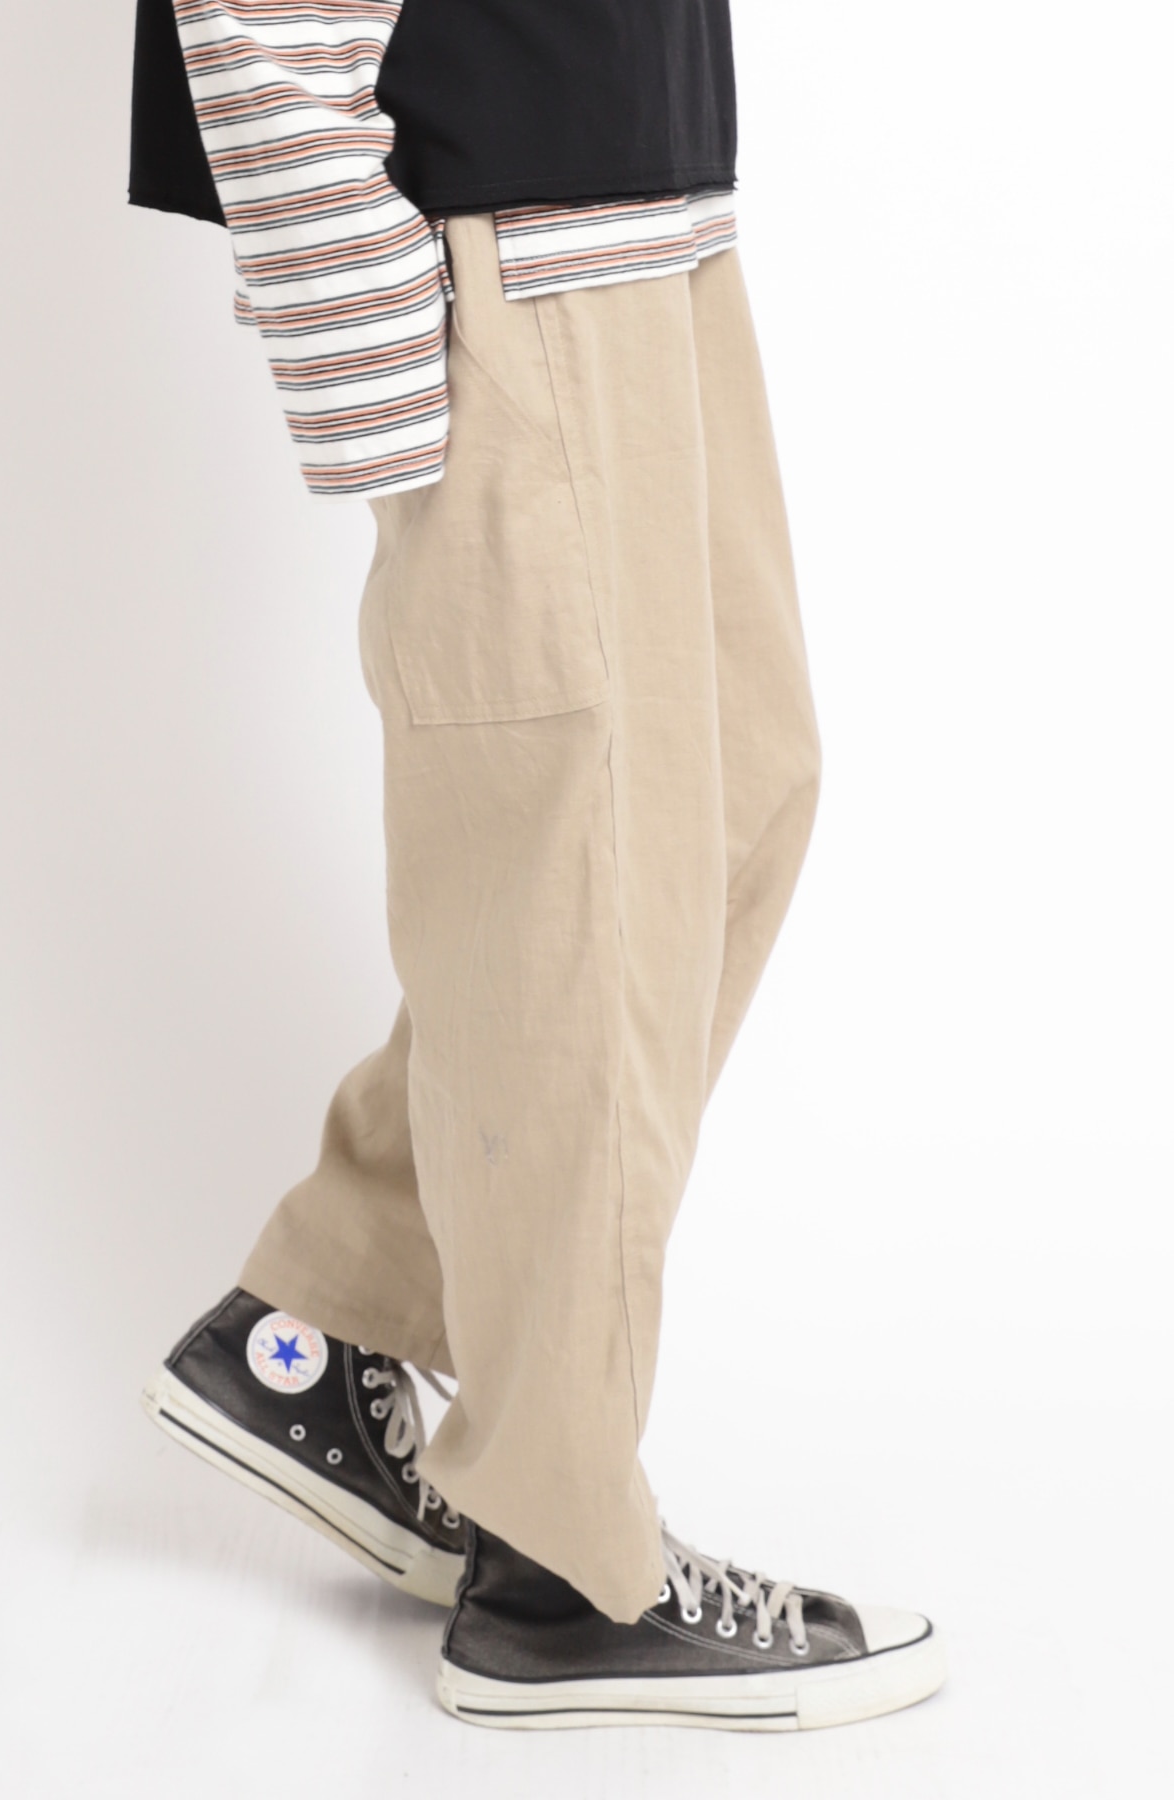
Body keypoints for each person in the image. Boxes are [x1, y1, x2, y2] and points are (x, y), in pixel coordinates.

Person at [128, 0, 945, 1729]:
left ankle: (331, 1320)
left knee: (726, 804)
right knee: (587, 871)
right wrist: (382, 345)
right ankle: (562, 1568)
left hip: (641, 203)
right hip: (501, 237)